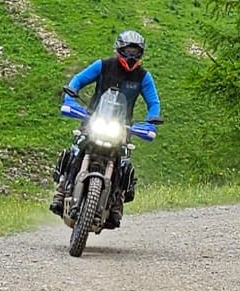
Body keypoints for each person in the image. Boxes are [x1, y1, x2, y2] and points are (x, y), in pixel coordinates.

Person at [50, 29, 162, 222]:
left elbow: (154, 103)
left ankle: (116, 203)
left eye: (136, 51)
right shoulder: (103, 66)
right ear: (119, 48)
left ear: (141, 53)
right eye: (128, 50)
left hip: (122, 127)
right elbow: (78, 80)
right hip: (94, 120)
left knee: (123, 162)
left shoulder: (143, 77)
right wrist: (70, 98)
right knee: (76, 149)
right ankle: (61, 191)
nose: (131, 55)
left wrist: (152, 121)